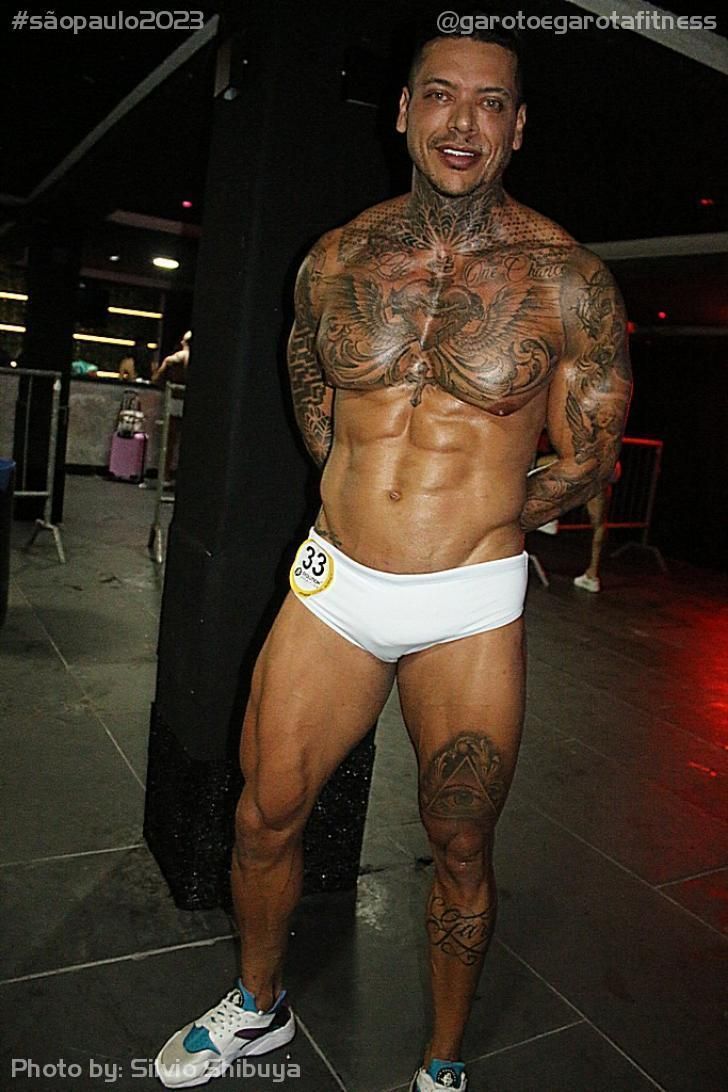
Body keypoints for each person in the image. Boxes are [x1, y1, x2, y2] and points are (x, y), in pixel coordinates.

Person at [155, 24, 631, 1092]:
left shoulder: (569, 281)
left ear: (517, 127)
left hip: (468, 600)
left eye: (490, 102)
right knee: (261, 813)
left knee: (458, 844)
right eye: (441, 95)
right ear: (406, 110)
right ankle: (258, 1006)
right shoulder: (334, 260)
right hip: (338, 586)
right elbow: (314, 410)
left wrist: (478, 516)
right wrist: (366, 505)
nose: (463, 122)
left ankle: (442, 1064)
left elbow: (588, 456)